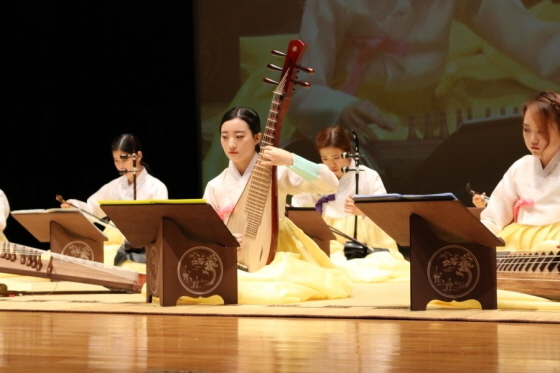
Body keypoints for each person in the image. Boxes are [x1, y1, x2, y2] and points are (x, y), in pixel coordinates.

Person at [203, 106, 351, 303]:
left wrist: (291, 159)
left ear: (257, 138)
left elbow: (329, 184)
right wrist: (223, 240)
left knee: (274, 289)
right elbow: (204, 229)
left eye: (239, 136)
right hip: (233, 257)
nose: (231, 144)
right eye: (225, 137)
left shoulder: (276, 172)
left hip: (278, 250)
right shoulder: (215, 185)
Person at [291, 126, 409, 283]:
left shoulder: (368, 176)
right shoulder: (317, 177)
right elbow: (300, 208)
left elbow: (385, 213)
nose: (331, 164)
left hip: (364, 243)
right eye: (325, 159)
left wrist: (365, 210)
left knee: (375, 265)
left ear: (348, 152)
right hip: (328, 240)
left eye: (336, 157)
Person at [61, 133, 168, 266]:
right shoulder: (114, 186)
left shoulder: (156, 187)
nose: (120, 166)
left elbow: (160, 227)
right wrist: (74, 206)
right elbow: (92, 209)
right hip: (111, 247)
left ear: (139, 156)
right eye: (116, 160)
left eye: (124, 159)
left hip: (142, 250)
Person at [480, 91, 560, 252]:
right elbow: (493, 218)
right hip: (518, 241)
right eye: (527, 130)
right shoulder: (521, 167)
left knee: (548, 249)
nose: (533, 139)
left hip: (555, 240)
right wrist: (477, 238)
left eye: (541, 130)